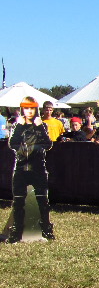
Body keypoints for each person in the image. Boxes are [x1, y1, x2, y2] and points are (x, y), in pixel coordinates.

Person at [6, 96, 55, 243]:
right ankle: (17, 231)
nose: (29, 111)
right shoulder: (17, 125)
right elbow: (12, 144)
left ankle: (46, 229)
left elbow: (48, 145)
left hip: (38, 167)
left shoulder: (42, 126)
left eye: (31, 107)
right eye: (26, 108)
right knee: (18, 201)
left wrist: (40, 127)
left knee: (42, 200)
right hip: (21, 167)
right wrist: (20, 126)